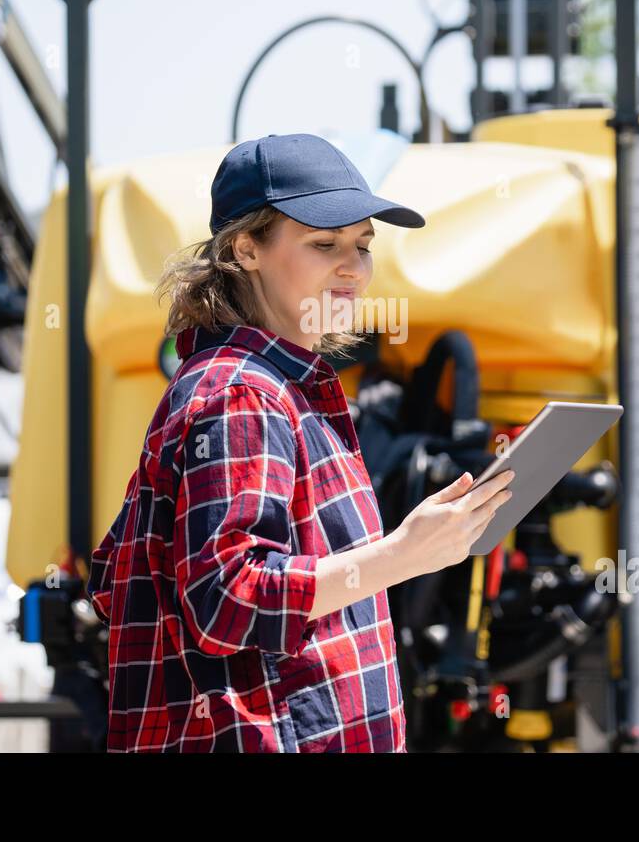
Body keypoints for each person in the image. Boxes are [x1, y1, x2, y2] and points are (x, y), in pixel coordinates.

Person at [86, 132, 515, 752]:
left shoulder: (276, 387)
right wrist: (401, 556)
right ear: (245, 249)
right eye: (324, 243)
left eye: (363, 245)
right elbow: (226, 596)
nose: (353, 267)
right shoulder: (244, 394)